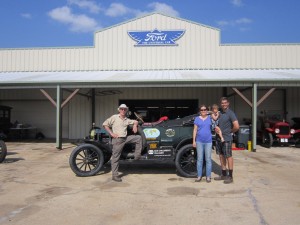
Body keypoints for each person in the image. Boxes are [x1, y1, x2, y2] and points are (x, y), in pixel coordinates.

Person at [103, 104, 142, 182]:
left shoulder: (126, 119)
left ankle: (137, 156)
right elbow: (105, 124)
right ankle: (114, 175)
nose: (123, 110)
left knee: (138, 138)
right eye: (121, 109)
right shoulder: (114, 117)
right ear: (119, 110)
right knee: (115, 158)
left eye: (124, 109)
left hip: (125, 138)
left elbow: (135, 121)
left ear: (126, 110)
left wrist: (135, 125)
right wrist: (111, 133)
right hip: (117, 140)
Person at [214, 97, 239, 184]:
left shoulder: (230, 113)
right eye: (222, 103)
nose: (224, 104)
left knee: (228, 156)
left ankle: (230, 176)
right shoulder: (220, 113)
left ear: (228, 103)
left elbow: (236, 126)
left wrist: (230, 131)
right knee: (221, 156)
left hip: (227, 139)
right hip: (219, 138)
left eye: (225, 103)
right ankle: (224, 174)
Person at [193, 104, 213, 183]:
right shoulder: (197, 119)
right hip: (199, 141)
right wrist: (193, 141)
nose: (203, 111)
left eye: (205, 109)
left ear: (207, 110)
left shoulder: (210, 118)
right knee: (200, 159)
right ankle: (199, 176)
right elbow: (195, 130)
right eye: (202, 110)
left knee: (208, 159)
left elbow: (216, 114)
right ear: (200, 111)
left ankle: (208, 176)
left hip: (208, 141)